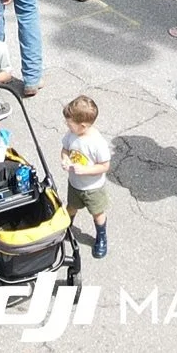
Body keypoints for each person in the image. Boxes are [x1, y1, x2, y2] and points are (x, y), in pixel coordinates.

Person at [61, 95, 115, 260]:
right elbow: (65, 149)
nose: (67, 126)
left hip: (93, 188)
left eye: (70, 123)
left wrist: (85, 170)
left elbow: (105, 166)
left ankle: (101, 237)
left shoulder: (97, 143)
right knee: (71, 207)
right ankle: (66, 228)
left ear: (82, 126)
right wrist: (64, 158)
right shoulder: (71, 135)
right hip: (75, 184)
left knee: (97, 213)